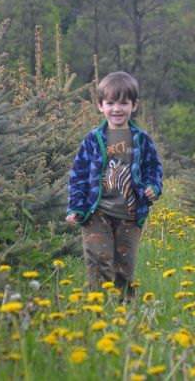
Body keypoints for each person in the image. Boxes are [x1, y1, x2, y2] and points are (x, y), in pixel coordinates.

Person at [66, 71, 163, 300]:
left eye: (123, 103)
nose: (117, 109)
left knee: (124, 266)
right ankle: (99, 307)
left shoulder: (141, 139)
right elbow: (78, 174)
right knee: (98, 260)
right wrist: (76, 207)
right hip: (96, 212)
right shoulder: (93, 139)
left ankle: (124, 308)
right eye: (110, 103)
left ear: (134, 105)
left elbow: (153, 167)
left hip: (130, 214)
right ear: (100, 105)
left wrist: (153, 186)